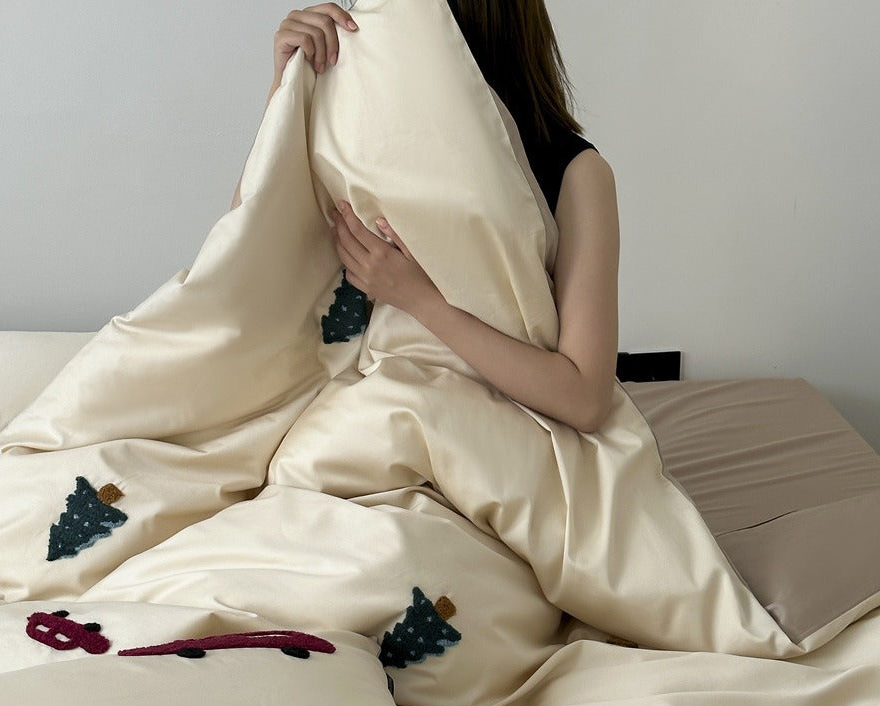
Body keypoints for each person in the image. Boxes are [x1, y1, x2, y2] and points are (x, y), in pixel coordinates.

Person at [232, 2, 619, 433]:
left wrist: (418, 298)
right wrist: (285, 92)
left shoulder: (578, 174)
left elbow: (586, 401)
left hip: (485, 432)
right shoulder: (363, 145)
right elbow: (237, 266)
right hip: (364, 410)